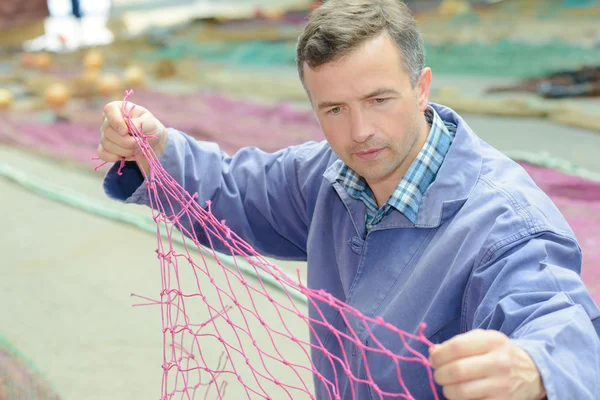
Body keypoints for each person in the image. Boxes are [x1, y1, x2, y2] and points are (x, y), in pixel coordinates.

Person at [97, 0, 600, 398]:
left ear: (421, 87)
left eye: (379, 100)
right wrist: (158, 150)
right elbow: (235, 190)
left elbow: (561, 324)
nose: (360, 133)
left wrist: (536, 371)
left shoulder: (505, 227)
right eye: (334, 109)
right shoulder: (327, 177)